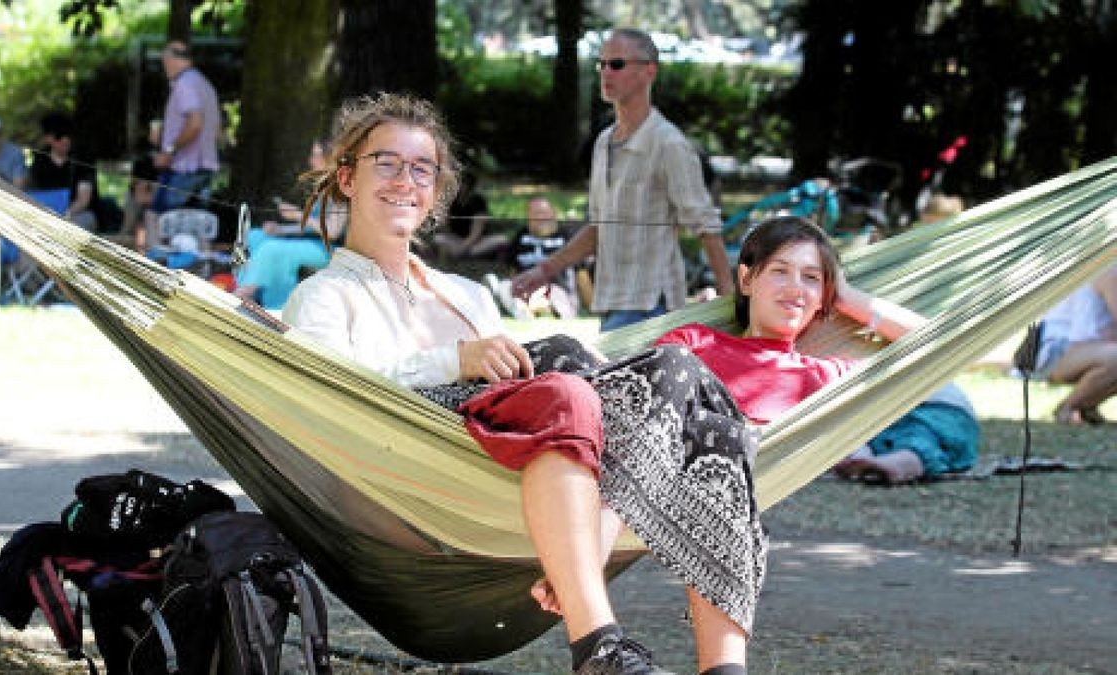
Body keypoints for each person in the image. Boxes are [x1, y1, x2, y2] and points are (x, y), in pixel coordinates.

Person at [282, 92, 925, 675]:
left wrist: (489, 354)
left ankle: (724, 665)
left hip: (521, 445)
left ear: (435, 189)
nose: (405, 181)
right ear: (347, 176)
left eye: (420, 169)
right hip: (423, 442)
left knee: (694, 396)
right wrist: (455, 358)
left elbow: (518, 379)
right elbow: (327, 389)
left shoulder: (465, 293)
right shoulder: (325, 294)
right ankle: (597, 645)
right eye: (386, 163)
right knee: (572, 386)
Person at [511, 28, 734, 332]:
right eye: (601, 64)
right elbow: (598, 227)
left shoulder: (669, 144)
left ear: (649, 72)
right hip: (610, 301)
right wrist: (545, 270)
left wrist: (729, 301)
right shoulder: (603, 143)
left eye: (616, 64)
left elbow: (706, 226)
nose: (606, 72)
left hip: (651, 306)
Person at [234, 139, 343, 309]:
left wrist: (298, 215)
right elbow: (312, 227)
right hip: (315, 243)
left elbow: (333, 232)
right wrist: (281, 230)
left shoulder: (341, 190)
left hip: (331, 250)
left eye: (315, 155)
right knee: (256, 236)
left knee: (274, 250)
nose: (311, 160)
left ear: (329, 159)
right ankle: (253, 291)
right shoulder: (322, 187)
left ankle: (254, 297)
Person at [834, 383, 979, 485]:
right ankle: (860, 460)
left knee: (920, 437)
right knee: (857, 439)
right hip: (879, 414)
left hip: (935, 405)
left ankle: (903, 462)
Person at [1034, 264, 1117, 424]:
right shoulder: (1110, 271)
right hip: (1055, 351)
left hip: (1081, 349)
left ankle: (1087, 406)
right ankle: (1068, 408)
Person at [150, 39, 221, 215]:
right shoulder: (205, 84)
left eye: (164, 60)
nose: (164, 65)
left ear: (171, 59)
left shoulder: (184, 84)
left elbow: (195, 124)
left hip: (184, 169)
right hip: (205, 167)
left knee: (162, 221)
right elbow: (218, 131)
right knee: (199, 226)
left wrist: (169, 150)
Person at [484, 196, 580, 319]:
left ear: (553, 213)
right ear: (528, 217)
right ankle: (519, 305)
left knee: (552, 295)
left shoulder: (567, 237)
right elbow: (512, 270)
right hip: (525, 288)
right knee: (506, 286)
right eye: (534, 214)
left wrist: (590, 304)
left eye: (543, 213)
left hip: (556, 288)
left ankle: (526, 308)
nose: (539, 217)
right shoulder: (520, 236)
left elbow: (580, 272)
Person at [29, 112, 101, 232]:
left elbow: (84, 200)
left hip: (78, 214)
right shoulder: (40, 159)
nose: (65, 141)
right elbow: (36, 193)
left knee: (72, 229)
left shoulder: (83, 158)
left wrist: (65, 214)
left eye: (67, 137)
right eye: (59, 137)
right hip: (47, 215)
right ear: (49, 138)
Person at [432, 169, 509, 261]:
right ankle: (465, 255)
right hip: (457, 240)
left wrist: (462, 248)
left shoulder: (478, 202)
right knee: (439, 239)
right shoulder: (451, 201)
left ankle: (465, 255)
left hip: (476, 242)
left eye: (463, 184)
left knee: (501, 239)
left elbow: (476, 233)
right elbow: (446, 230)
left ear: (470, 186)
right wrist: (442, 221)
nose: (459, 187)